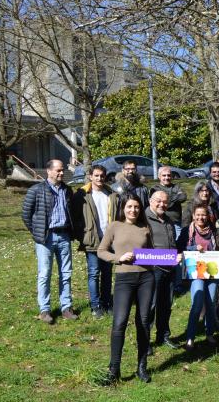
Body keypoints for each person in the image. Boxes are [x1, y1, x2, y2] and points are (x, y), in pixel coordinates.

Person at [96, 194, 153, 384]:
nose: (133, 210)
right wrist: (118, 259)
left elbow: (153, 254)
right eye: (129, 207)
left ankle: (141, 366)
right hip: (124, 278)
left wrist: (172, 259)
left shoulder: (145, 228)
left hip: (146, 278)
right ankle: (114, 370)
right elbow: (101, 251)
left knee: (143, 322)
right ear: (123, 208)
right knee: (119, 322)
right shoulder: (114, 226)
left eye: (136, 207)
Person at [22, 159, 76, 324]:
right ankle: (44, 310)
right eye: (58, 170)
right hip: (45, 238)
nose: (61, 173)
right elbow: (26, 214)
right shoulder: (36, 190)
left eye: (62, 170)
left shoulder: (67, 190)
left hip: (64, 236)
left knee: (66, 273)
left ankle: (66, 307)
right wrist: (37, 232)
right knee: (44, 274)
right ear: (49, 171)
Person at [177, 204, 219, 349]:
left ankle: (209, 333)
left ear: (208, 216)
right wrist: (193, 248)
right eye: (198, 215)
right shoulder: (187, 231)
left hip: (212, 272)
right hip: (196, 273)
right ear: (193, 216)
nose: (201, 217)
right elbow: (180, 249)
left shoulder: (214, 231)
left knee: (210, 303)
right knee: (197, 303)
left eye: (204, 215)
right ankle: (190, 337)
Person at [71, 164, 113, 318]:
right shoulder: (82, 194)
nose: (99, 178)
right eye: (96, 175)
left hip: (109, 240)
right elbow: (74, 217)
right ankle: (95, 305)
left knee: (107, 274)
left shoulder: (111, 193)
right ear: (90, 176)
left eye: (102, 175)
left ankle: (107, 302)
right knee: (94, 273)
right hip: (92, 240)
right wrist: (82, 235)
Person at [145, 190, 181, 350]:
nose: (162, 204)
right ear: (151, 200)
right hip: (152, 269)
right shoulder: (143, 218)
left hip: (170, 269)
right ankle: (145, 341)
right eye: (158, 201)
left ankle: (163, 335)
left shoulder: (168, 220)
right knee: (150, 305)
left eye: (165, 202)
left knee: (166, 304)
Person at [151, 166, 187, 237]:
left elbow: (183, 197)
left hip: (176, 222)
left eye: (169, 175)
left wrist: (166, 200)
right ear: (159, 176)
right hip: (161, 222)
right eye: (164, 175)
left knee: (178, 243)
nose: (166, 177)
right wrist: (175, 197)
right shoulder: (155, 189)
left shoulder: (177, 187)